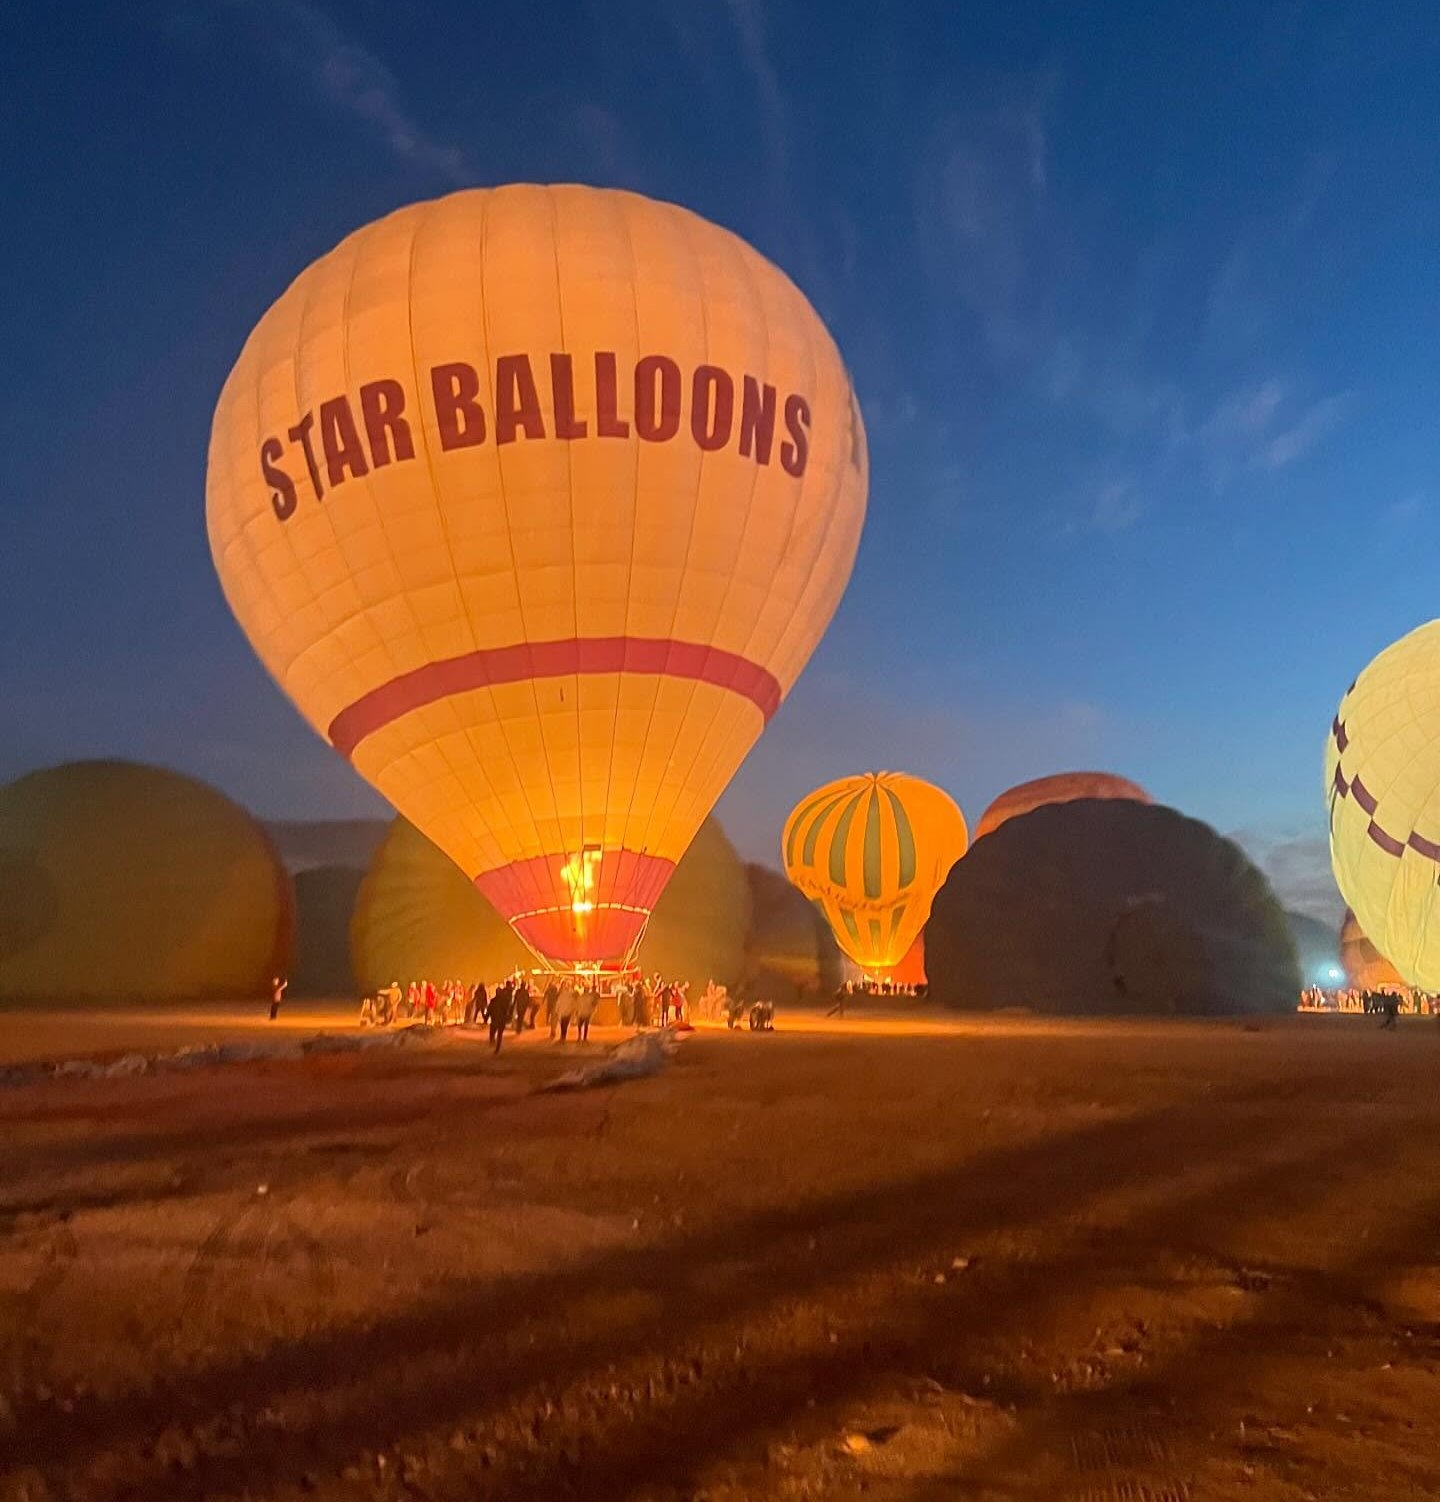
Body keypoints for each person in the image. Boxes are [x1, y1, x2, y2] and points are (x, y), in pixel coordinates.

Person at [488, 979, 514, 1052]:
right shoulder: (505, 1001)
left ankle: (493, 1042)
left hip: (495, 1019)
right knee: (499, 1034)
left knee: (493, 1031)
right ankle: (497, 1047)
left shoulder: (494, 1001)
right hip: (501, 1019)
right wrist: (508, 1017)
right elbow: (507, 1009)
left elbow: (489, 1009)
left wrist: (486, 1017)